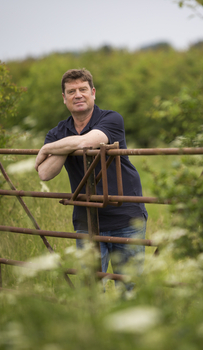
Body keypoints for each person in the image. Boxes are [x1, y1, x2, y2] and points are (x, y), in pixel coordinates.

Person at [35, 68, 148, 289]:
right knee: (90, 292)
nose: (78, 94)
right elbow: (45, 173)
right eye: (71, 91)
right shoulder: (59, 131)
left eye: (83, 89)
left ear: (93, 92)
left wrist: (50, 147)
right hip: (87, 220)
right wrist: (66, 145)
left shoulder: (111, 119)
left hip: (125, 216)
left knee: (130, 289)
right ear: (64, 98)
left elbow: (88, 142)